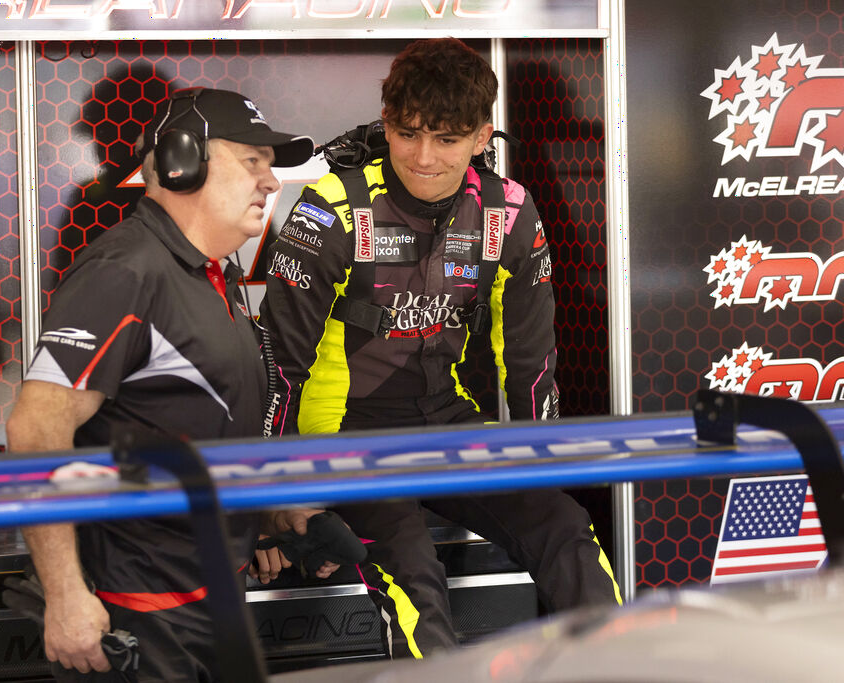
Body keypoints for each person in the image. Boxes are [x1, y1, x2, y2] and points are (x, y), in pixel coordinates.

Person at [259, 38, 622, 660]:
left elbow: (530, 363)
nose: (423, 157)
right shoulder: (336, 207)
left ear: (481, 137)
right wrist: (270, 494)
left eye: (447, 139)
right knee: (415, 573)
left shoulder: (507, 211)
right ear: (386, 123)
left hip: (445, 420)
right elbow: (276, 365)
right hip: (341, 434)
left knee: (563, 525)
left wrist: (542, 465)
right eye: (408, 134)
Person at [5, 87, 327, 681]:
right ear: (183, 162)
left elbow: (186, 422)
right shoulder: (126, 271)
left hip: (212, 601)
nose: (271, 182)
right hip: (138, 618)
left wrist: (269, 516)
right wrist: (66, 594)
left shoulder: (212, 274)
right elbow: (34, 430)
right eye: (252, 161)